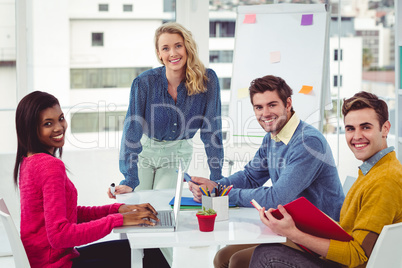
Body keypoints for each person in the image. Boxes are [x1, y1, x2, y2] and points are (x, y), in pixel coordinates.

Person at [188, 75, 345, 268]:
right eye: (259, 107)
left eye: (272, 105)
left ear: (288, 104)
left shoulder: (307, 142)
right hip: (292, 228)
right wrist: (215, 187)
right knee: (222, 256)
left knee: (237, 261)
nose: (265, 113)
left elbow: (276, 197)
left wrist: (220, 193)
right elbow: (250, 176)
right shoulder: (272, 137)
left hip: (318, 239)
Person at [13, 91, 169, 268]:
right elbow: (59, 235)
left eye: (61, 118)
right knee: (151, 255)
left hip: (46, 261)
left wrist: (119, 209)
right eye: (48, 124)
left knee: (144, 251)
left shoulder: (28, 161)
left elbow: (69, 214)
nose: (59, 127)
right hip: (58, 264)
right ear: (31, 129)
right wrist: (119, 219)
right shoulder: (48, 166)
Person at [250, 91, 402, 268]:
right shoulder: (374, 170)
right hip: (338, 259)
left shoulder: (385, 180)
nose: (357, 136)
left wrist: (293, 233)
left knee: (267, 255)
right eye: (350, 128)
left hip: (347, 264)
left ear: (385, 128)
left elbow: (358, 256)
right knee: (247, 254)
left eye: (366, 127)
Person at [111, 22, 224, 196]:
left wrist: (217, 178)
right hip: (145, 152)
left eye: (178, 46)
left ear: (187, 47)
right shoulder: (144, 83)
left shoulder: (208, 80)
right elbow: (132, 130)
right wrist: (129, 180)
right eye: (165, 48)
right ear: (159, 54)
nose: (173, 53)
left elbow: (212, 131)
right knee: (138, 202)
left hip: (177, 153)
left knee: (160, 200)